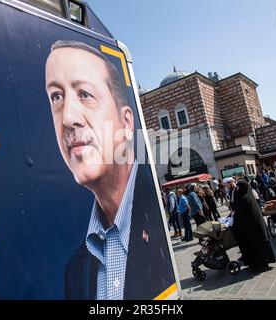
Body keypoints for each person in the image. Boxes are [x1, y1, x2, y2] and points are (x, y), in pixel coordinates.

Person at [46, 40, 175, 299]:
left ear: (127, 122)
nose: (68, 117)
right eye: (56, 97)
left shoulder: (157, 223)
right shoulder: (75, 270)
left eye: (84, 94)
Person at [231, 180, 276, 271]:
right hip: (257, 228)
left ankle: (258, 264)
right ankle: (264, 263)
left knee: (255, 247)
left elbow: (240, 214)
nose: (237, 190)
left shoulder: (245, 199)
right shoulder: (249, 197)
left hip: (252, 230)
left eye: (238, 188)